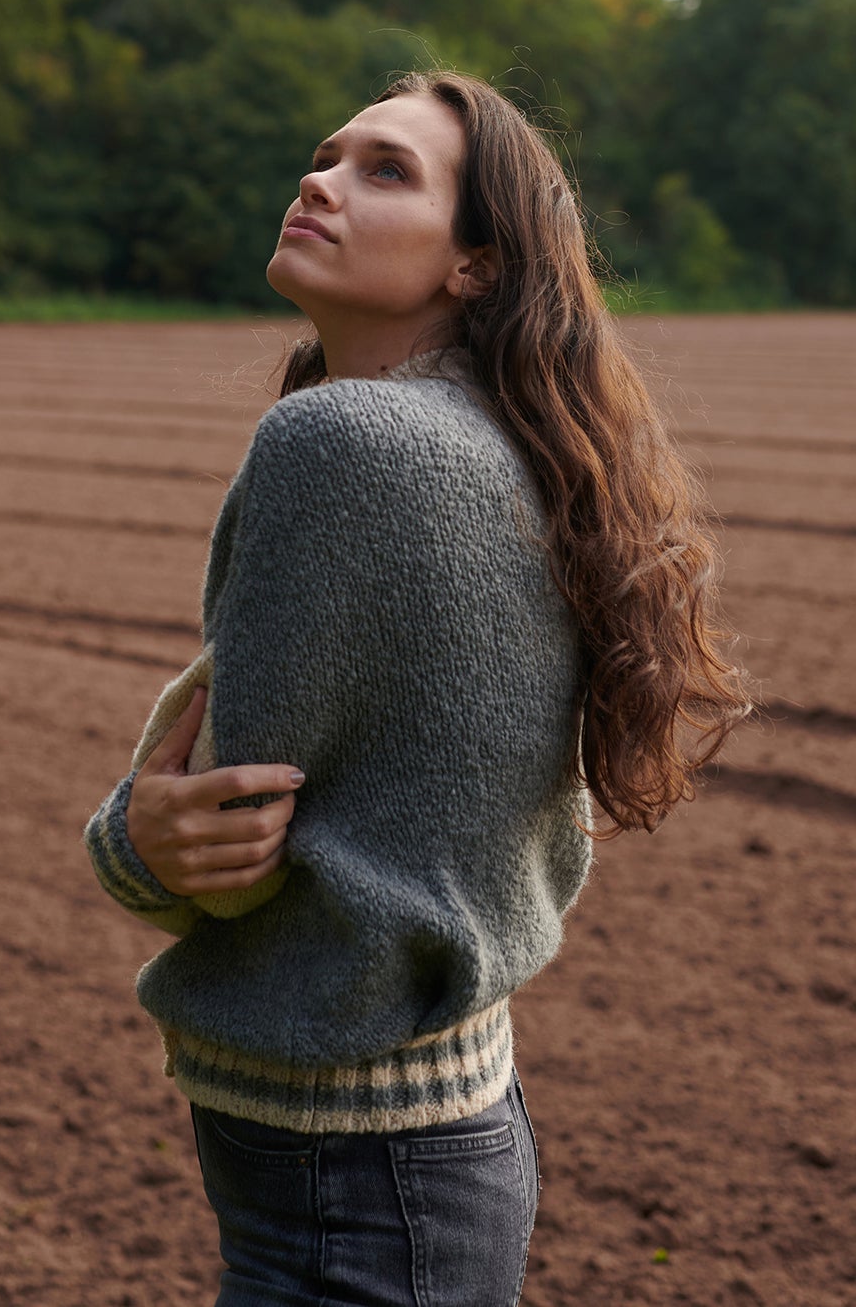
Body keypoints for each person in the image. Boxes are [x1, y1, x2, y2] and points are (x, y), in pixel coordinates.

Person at [84, 70, 752, 1306]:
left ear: (475, 267)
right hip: (439, 1130)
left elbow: (226, 842)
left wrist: (124, 843)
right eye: (327, 154)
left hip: (347, 1176)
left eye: (383, 170)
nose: (320, 179)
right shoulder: (511, 442)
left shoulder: (341, 443)